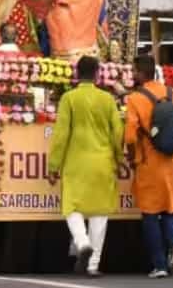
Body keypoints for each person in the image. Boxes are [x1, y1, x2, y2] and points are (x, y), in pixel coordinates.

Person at [48, 55, 123, 276]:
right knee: (100, 213)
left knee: (72, 207)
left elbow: (61, 135)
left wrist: (53, 166)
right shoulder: (107, 100)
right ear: (98, 74)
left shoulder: (69, 99)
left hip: (76, 162)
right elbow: (117, 133)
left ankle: (82, 244)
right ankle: (92, 266)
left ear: (77, 74)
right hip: (103, 162)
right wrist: (118, 160)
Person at [124, 54, 173, 278]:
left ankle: (160, 265)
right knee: (169, 211)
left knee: (150, 215)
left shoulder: (135, 99)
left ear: (142, 73)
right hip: (172, 163)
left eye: (134, 71)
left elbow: (131, 137)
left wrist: (133, 159)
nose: (132, 75)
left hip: (148, 163)